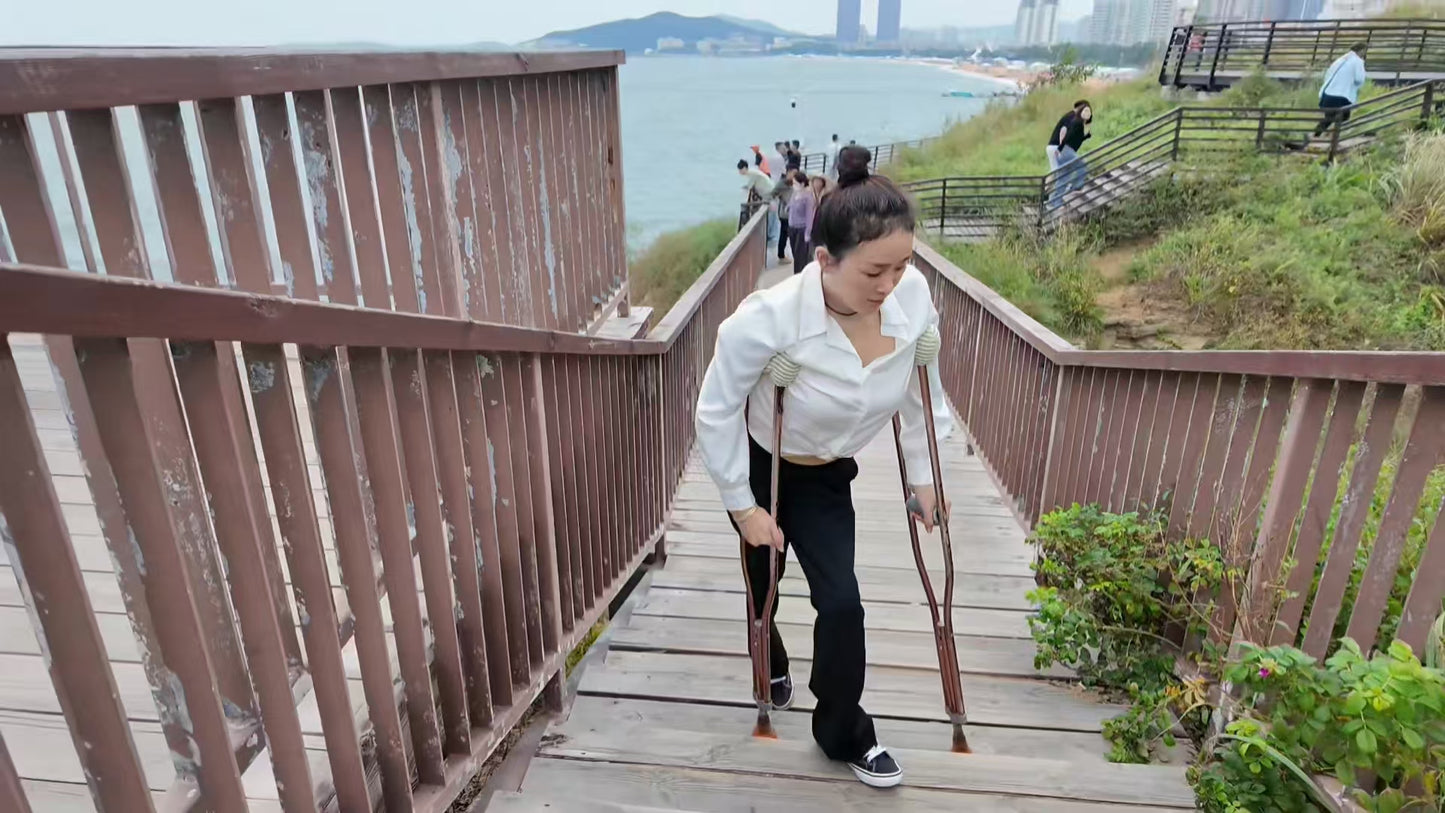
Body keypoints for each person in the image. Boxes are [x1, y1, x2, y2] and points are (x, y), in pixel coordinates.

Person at [695, 145, 953, 790]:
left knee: (842, 603)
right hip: (766, 467)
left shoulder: (912, 297)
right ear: (823, 260)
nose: (890, 284)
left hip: (829, 474)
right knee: (766, 581)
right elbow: (715, 410)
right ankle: (770, 657)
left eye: (902, 265)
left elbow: (924, 393)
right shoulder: (766, 320)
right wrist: (742, 506)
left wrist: (924, 478)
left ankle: (844, 731)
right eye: (874, 272)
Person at [1313, 43, 1368, 139]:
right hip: (1342, 95)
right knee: (1343, 117)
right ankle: (1330, 137)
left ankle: (1318, 135)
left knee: (1329, 118)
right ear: (1361, 50)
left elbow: (1328, 74)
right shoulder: (1358, 61)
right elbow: (1359, 79)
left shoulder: (1340, 60)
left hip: (1328, 93)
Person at [1050, 101, 1092, 209]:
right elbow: (1068, 136)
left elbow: (1075, 139)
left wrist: (1085, 137)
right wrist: (1059, 148)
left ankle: (1055, 202)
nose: (1087, 114)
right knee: (1082, 166)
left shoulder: (1078, 123)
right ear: (1081, 112)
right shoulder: (1077, 122)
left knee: (1063, 178)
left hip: (1065, 151)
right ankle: (1076, 187)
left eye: (1089, 112)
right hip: (1067, 151)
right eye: (1085, 111)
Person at [739, 158, 779, 235]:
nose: (740, 172)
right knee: (771, 212)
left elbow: (749, 186)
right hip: (769, 191)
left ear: (744, 168)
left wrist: (744, 189)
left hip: (768, 193)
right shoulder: (753, 172)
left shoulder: (752, 174)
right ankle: (770, 232)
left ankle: (768, 233)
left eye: (740, 170)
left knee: (769, 212)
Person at [1046, 99, 1088, 172]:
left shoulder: (1070, 115)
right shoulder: (1073, 117)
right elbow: (1063, 131)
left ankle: (1047, 183)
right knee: (1062, 172)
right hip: (1056, 147)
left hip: (1052, 147)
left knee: (1057, 172)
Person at [785, 170, 815, 274]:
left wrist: (807, 233)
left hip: (801, 230)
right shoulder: (795, 194)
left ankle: (799, 276)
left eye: (795, 183)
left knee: (800, 257)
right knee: (795, 254)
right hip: (792, 227)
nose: (793, 185)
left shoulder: (808, 197)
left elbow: (809, 216)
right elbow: (790, 205)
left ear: (802, 184)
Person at [773, 169, 796, 262]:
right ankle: (781, 256)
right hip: (785, 214)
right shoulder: (782, 184)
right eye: (792, 173)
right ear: (787, 172)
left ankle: (784, 255)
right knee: (784, 235)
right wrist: (780, 199)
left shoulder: (793, 182)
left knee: (788, 235)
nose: (794, 175)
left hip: (792, 213)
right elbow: (772, 194)